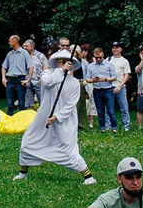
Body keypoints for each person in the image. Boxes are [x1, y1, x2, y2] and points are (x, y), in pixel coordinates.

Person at [16, 47, 93, 186]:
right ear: (56, 62)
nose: (64, 64)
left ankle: (89, 177)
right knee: (28, 142)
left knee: (68, 150)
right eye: (61, 61)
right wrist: (61, 71)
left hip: (64, 121)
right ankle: (23, 174)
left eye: (66, 62)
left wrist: (57, 116)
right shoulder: (47, 74)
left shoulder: (74, 83)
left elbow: (71, 105)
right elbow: (48, 83)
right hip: (43, 118)